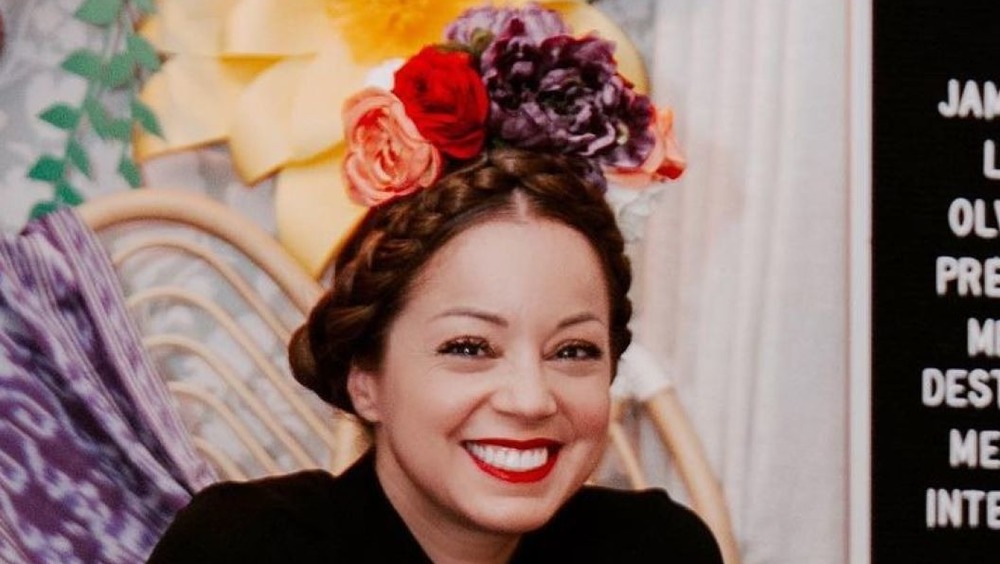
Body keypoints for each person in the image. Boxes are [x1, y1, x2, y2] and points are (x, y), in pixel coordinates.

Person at [149, 4, 721, 563]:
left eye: (573, 351)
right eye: (469, 347)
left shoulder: (658, 548)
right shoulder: (243, 549)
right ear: (365, 376)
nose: (529, 399)